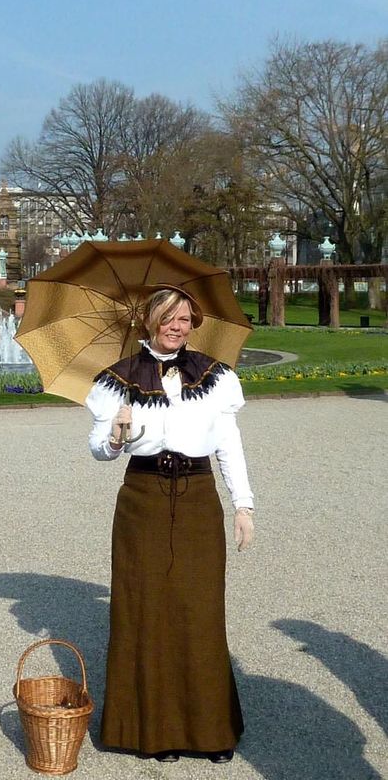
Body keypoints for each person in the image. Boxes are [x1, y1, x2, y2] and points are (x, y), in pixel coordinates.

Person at [85, 287, 255, 764]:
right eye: (170, 318)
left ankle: (210, 732)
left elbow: (228, 443)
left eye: (186, 318)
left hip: (199, 498)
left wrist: (243, 505)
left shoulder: (214, 376)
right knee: (148, 611)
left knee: (199, 610)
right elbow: (99, 449)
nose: (179, 326)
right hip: (143, 500)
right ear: (150, 321)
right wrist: (117, 435)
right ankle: (155, 731)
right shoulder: (118, 381)